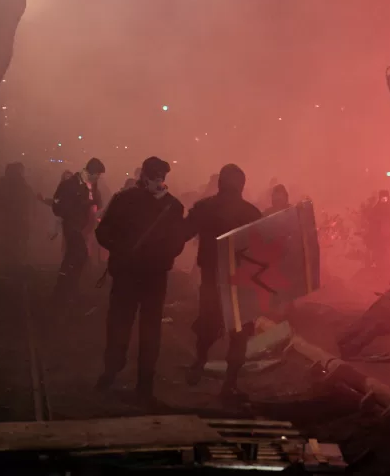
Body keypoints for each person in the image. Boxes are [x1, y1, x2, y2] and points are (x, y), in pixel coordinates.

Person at [93, 157, 185, 403]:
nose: (157, 180)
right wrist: (158, 256)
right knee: (145, 328)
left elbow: (103, 232)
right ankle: (142, 381)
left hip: (132, 274)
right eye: (156, 175)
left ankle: (115, 372)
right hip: (150, 276)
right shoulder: (172, 206)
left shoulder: (125, 200)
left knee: (122, 324)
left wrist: (121, 250)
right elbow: (177, 244)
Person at [183, 164, 262, 402]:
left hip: (215, 279)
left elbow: (183, 232)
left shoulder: (204, 208)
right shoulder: (251, 213)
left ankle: (200, 361)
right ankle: (229, 383)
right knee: (239, 334)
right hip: (240, 282)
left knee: (209, 323)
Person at [52, 157, 105, 300]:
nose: (98, 178)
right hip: (72, 226)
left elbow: (95, 202)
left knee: (73, 256)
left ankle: (66, 289)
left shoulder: (91, 186)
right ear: (90, 172)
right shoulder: (70, 184)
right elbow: (58, 204)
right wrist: (71, 213)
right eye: (97, 175)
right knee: (79, 254)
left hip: (81, 226)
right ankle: (65, 289)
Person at [0, 162, 34, 268]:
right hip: (15, 219)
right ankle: (10, 264)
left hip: (10, 218)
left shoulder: (3, 182)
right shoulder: (21, 184)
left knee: (8, 239)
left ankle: (4, 264)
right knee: (12, 240)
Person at [365, 189, 390, 269]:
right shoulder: (376, 209)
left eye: (385, 198)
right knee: (379, 255)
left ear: (388, 198)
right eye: (382, 198)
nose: (384, 200)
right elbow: (372, 224)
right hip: (379, 237)